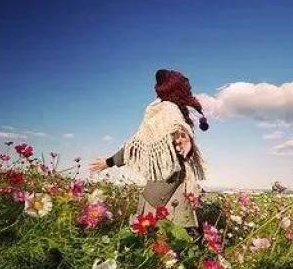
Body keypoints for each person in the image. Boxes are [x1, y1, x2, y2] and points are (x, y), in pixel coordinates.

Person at [89, 69, 208, 228]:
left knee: (157, 233)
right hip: (170, 183)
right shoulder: (169, 110)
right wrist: (109, 162)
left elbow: (137, 146)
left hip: (167, 183)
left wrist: (109, 162)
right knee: (170, 233)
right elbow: (139, 145)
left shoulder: (165, 109)